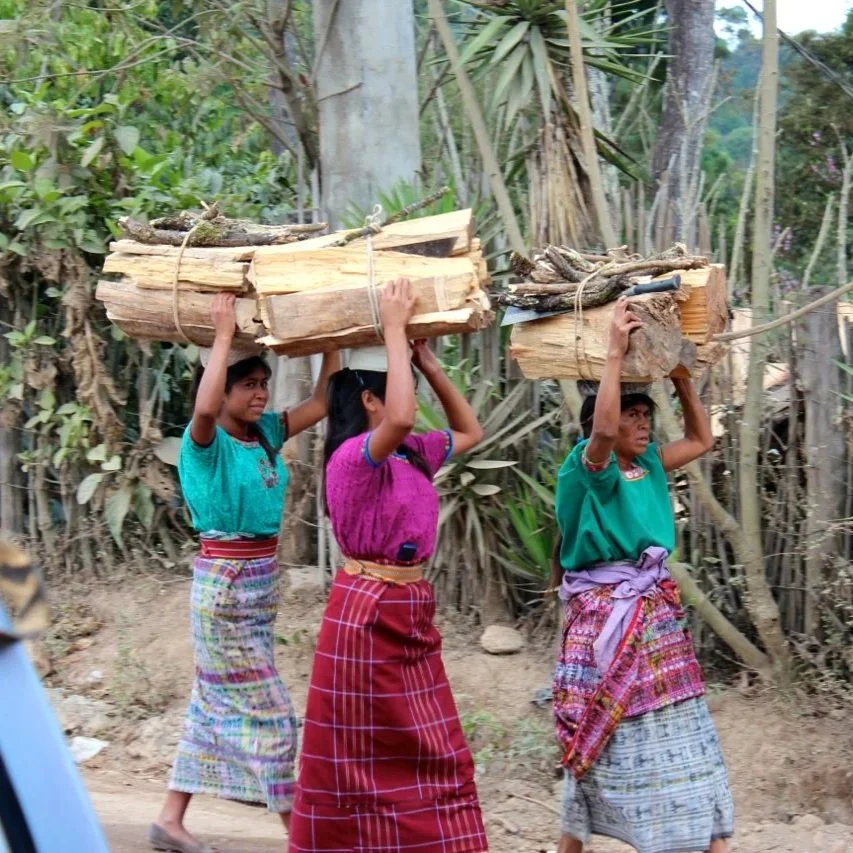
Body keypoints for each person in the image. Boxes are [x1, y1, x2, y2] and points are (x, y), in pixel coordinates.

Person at [287, 278, 489, 853]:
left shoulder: (411, 454)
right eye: (396, 388)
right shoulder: (354, 458)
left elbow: (470, 430)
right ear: (370, 400)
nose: (411, 401)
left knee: (434, 749)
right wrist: (395, 330)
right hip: (365, 616)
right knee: (357, 762)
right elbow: (400, 417)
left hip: (408, 612)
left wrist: (426, 364)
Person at [150, 293, 340, 853]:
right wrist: (223, 334)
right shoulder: (203, 444)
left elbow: (323, 400)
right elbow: (204, 410)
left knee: (211, 706)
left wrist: (330, 340)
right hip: (226, 593)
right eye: (247, 384)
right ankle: (299, 836)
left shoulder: (265, 436)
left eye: (264, 382)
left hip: (257, 592)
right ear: (222, 386)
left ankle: (168, 821)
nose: (260, 393)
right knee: (272, 715)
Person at [551, 298, 734, 853]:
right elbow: (603, 428)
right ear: (593, 431)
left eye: (644, 414)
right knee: (599, 741)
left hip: (654, 617)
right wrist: (612, 353)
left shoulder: (649, 463)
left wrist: (680, 377)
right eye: (631, 414)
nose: (641, 422)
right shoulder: (585, 471)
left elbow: (702, 440)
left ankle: (703, 836)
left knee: (680, 729)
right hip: (605, 620)